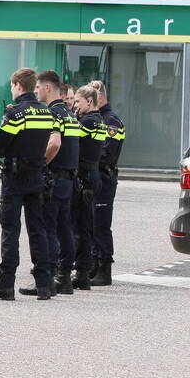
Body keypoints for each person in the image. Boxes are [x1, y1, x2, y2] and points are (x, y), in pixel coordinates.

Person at [0, 68, 58, 301]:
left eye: (11, 86)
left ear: (18, 86)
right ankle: (44, 285)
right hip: (37, 176)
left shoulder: (16, 113)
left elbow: (0, 148)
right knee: (38, 231)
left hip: (15, 178)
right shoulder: (47, 113)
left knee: (10, 231)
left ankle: (5, 285)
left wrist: (7, 119)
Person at [21, 70, 81, 296]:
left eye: (37, 88)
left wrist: (39, 163)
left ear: (47, 88)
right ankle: (64, 276)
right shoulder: (69, 113)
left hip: (54, 178)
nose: (36, 91)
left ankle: (48, 276)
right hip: (67, 179)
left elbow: (54, 145)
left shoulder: (52, 114)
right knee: (64, 227)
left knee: (47, 229)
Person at [88, 80, 126, 287]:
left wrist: (85, 158)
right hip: (93, 177)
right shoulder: (94, 118)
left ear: (101, 98)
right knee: (91, 224)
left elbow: (107, 154)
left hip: (104, 177)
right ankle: (93, 264)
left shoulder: (111, 121)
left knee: (101, 225)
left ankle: (105, 269)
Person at [72, 85, 108, 290]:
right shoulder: (99, 121)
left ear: (89, 101)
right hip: (91, 175)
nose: (76, 105)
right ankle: (83, 272)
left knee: (79, 227)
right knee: (84, 226)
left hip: (83, 176)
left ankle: (81, 272)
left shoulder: (87, 122)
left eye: (78, 101)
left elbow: (71, 143)